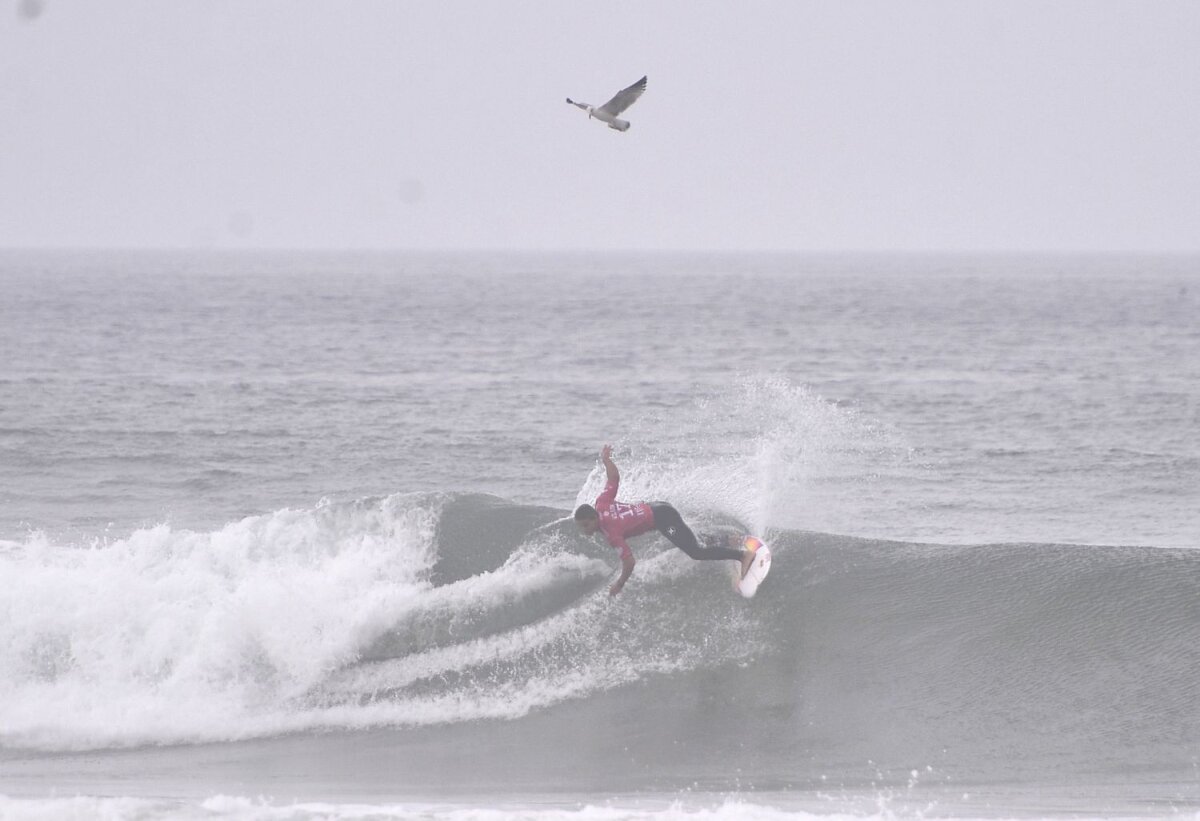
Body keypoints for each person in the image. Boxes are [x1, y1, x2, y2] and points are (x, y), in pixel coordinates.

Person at [574, 444, 756, 596]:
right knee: (684, 539)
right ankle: (729, 539)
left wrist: (620, 584)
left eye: (587, 525)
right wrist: (607, 460)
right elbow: (614, 477)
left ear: (594, 518)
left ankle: (743, 556)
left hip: (663, 518)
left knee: (695, 552)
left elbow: (629, 562)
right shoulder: (601, 502)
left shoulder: (611, 533)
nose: (585, 529)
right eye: (582, 527)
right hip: (656, 507)